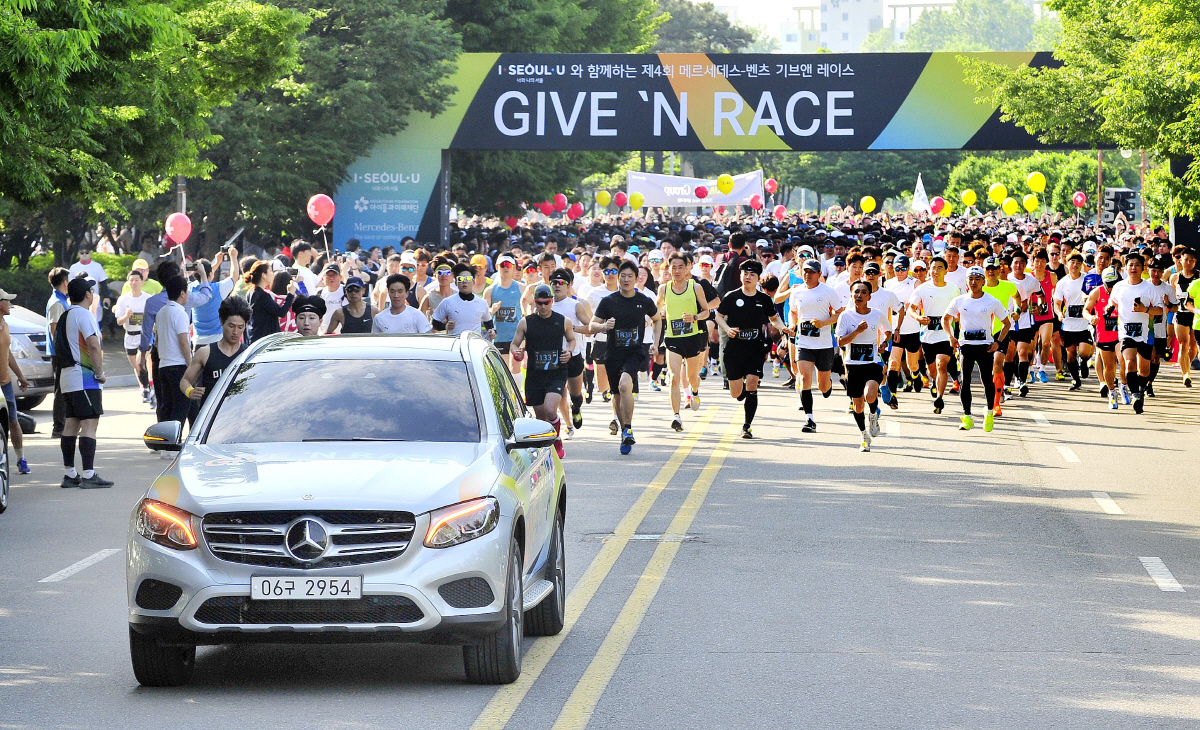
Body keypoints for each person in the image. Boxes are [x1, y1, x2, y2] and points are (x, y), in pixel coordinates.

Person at [592, 260, 661, 455]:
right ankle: (624, 433)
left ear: (636, 278)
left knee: (624, 386)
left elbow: (657, 319)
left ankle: (628, 428)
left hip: (634, 352)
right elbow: (592, 325)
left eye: (630, 276)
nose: (626, 279)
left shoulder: (643, 300)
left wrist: (655, 343)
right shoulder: (608, 301)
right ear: (618, 278)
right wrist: (604, 326)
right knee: (616, 394)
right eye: (623, 276)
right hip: (613, 353)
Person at [716, 259, 789, 439]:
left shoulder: (763, 299)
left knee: (752, 383)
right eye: (745, 274)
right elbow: (718, 316)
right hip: (734, 348)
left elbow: (773, 318)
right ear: (741, 275)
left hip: (755, 348)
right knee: (736, 393)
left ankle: (747, 426)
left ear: (758, 278)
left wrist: (783, 328)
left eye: (752, 274)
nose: (748, 277)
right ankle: (741, 391)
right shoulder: (732, 296)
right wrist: (727, 329)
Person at [58, 277, 113, 488]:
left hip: (67, 377)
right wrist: (99, 373)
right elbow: (94, 345)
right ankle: (88, 475)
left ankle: (70, 473)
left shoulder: (65, 315)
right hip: (85, 378)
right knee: (90, 424)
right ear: (88, 294)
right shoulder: (84, 315)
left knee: (71, 424)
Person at [511, 284, 575, 458]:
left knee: (550, 410)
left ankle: (556, 440)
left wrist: (569, 352)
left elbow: (571, 340)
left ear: (552, 301)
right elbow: (514, 344)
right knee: (541, 418)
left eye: (546, 302)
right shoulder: (526, 322)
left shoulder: (563, 321)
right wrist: (517, 353)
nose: (543, 306)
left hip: (556, 372)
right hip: (535, 374)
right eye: (540, 303)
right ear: (535, 302)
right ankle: (547, 446)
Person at [944, 266, 1010, 433]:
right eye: (970, 279)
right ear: (966, 281)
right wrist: (951, 337)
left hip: (985, 346)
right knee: (964, 380)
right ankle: (967, 416)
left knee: (987, 380)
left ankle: (989, 413)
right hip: (966, 346)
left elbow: (1007, 323)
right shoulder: (959, 300)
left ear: (983, 281)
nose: (973, 282)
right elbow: (945, 319)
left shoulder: (991, 301)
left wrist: (998, 342)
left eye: (977, 279)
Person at [657, 253, 712, 432]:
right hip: (672, 338)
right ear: (669, 268)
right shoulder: (664, 289)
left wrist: (694, 317)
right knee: (674, 377)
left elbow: (707, 312)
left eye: (681, 267)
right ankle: (676, 416)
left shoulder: (695, 287)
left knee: (692, 378)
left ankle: (694, 391)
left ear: (687, 268)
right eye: (674, 267)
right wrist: (655, 316)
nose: (677, 270)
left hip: (692, 338)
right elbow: (657, 310)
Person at [836, 280, 891, 451]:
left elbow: (887, 330)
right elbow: (840, 341)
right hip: (853, 365)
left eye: (863, 292)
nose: (859, 295)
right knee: (858, 406)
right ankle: (864, 435)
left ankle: (873, 414)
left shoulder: (876, 314)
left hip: (872, 362)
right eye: (856, 292)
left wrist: (884, 342)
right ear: (851, 295)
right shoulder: (845, 316)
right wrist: (857, 331)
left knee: (870, 395)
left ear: (869, 296)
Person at [787, 259, 841, 433]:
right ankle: (809, 419)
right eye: (805, 271)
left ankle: (828, 384)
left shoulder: (828, 291)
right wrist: (792, 324)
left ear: (819, 274)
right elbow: (793, 311)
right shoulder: (797, 292)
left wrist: (823, 323)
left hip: (824, 344)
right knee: (804, 379)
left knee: (822, 386)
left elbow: (839, 313)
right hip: (804, 342)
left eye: (811, 272)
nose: (807, 275)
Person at [1107, 252, 1160, 414]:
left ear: (1143, 268)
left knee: (1144, 370)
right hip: (1125, 332)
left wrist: (1145, 310)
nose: (1133, 268)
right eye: (1130, 265)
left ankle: (1141, 390)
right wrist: (1109, 307)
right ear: (1125, 267)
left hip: (1145, 333)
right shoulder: (1119, 286)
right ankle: (1135, 395)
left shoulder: (1149, 287)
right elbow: (1112, 301)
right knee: (1129, 362)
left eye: (1137, 265)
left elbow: (1159, 310)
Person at [909, 257, 960, 414]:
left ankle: (939, 398)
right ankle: (934, 381)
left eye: (939, 268)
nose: (936, 271)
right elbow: (911, 308)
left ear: (946, 271)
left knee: (941, 365)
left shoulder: (953, 289)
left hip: (946, 334)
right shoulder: (922, 288)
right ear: (929, 270)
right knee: (932, 371)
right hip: (928, 335)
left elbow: (959, 310)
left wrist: (956, 326)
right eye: (933, 268)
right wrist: (918, 318)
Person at [181, 296, 251, 410]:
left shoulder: (249, 354)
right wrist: (190, 391)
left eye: (240, 327)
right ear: (221, 321)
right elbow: (185, 380)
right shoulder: (205, 353)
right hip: (212, 415)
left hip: (241, 414)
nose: (235, 332)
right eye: (231, 326)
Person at [549, 268, 592, 434]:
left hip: (574, 356)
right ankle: (561, 426)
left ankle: (576, 408)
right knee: (558, 393)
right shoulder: (545, 305)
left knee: (575, 395)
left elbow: (589, 329)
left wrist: (571, 328)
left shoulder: (575, 305)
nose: (557, 285)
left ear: (568, 286)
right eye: (554, 282)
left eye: (561, 283)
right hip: (554, 357)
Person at [153, 276, 194, 427]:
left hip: (163, 365)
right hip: (178, 366)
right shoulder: (180, 313)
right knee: (181, 408)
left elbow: (157, 340)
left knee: (170, 406)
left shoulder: (161, 312)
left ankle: (167, 438)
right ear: (182, 293)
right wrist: (191, 365)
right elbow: (184, 341)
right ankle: (173, 439)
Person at [1053, 252, 1094, 391]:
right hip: (1069, 323)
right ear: (1067, 263)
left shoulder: (1087, 279)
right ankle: (1076, 380)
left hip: (1084, 322)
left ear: (1081, 265)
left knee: (1084, 352)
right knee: (1070, 354)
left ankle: (1084, 361)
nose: (1075, 265)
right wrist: (1059, 313)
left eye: (1078, 263)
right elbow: (1057, 303)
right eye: (1072, 262)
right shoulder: (1062, 282)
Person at [0, 290, 30, 473]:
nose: (10, 304)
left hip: (5, 383)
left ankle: (21, 459)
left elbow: (8, 352)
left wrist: (20, 375)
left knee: (13, 420)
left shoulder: (5, 324)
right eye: (7, 301)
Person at [114, 269, 152, 402]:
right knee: (137, 366)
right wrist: (126, 316)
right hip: (130, 336)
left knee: (140, 363)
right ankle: (145, 386)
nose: (134, 283)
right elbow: (119, 321)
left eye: (136, 280)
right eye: (131, 280)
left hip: (144, 337)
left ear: (142, 282)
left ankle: (146, 389)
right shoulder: (123, 299)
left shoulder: (148, 298)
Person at [484, 255, 524, 373]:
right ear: (497, 267)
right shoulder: (490, 290)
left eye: (508, 265)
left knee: (515, 368)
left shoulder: (521, 288)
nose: (505, 267)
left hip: (517, 336)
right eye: (502, 265)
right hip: (499, 336)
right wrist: (492, 310)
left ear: (514, 268)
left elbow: (529, 307)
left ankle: (518, 386)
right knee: (503, 371)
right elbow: (484, 314)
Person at [432, 264, 494, 337]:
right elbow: (435, 322)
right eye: (460, 279)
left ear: (473, 282)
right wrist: (445, 326)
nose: (464, 282)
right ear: (456, 283)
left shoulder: (482, 303)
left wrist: (492, 331)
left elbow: (488, 322)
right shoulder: (447, 302)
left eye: (468, 279)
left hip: (474, 342)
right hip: (455, 342)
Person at [46, 267, 71, 438]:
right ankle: (58, 427)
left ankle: (63, 425)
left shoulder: (61, 299)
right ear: (64, 282)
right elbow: (54, 328)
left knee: (64, 389)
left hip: (60, 351)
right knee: (61, 390)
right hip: (59, 353)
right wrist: (62, 350)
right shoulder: (57, 302)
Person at [245, 260, 294, 342]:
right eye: (270, 271)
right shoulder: (262, 295)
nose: (272, 274)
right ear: (263, 275)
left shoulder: (251, 293)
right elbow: (281, 312)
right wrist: (290, 294)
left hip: (255, 337)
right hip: (264, 339)